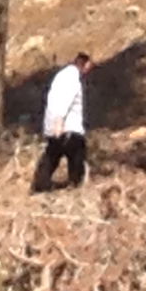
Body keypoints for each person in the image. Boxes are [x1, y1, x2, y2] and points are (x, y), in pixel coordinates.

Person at [31, 53, 94, 193]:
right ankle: (76, 186)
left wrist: (51, 125)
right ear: (84, 64)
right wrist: (59, 121)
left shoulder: (60, 77)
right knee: (76, 157)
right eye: (89, 66)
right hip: (69, 127)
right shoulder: (72, 80)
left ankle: (40, 186)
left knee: (51, 156)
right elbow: (64, 100)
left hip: (53, 126)